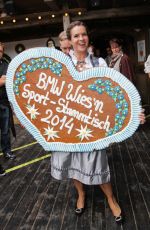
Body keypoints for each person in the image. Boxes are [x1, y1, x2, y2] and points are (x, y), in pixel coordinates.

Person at [51, 21, 145, 224]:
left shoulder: (100, 63)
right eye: (76, 36)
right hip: (67, 124)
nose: (81, 39)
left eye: (83, 34)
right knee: (72, 163)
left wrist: (134, 112)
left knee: (98, 162)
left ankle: (111, 199)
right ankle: (81, 194)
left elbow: (114, 94)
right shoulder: (60, 64)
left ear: (88, 37)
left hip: (91, 125)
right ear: (70, 39)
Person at [0, 42, 16, 160]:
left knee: (5, 130)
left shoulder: (6, 64)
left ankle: (7, 151)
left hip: (4, 102)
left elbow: (10, 80)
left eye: (0, 51)